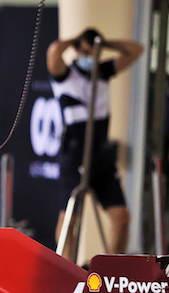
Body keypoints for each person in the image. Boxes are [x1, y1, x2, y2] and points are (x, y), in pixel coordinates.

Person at [46, 27, 143, 254]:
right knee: (69, 218)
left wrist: (105, 44)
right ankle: (66, 268)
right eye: (86, 52)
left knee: (121, 217)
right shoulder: (65, 74)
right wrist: (76, 41)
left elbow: (136, 50)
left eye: (94, 53)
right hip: (75, 153)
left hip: (100, 154)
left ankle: (111, 271)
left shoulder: (103, 72)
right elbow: (54, 51)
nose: (91, 57)